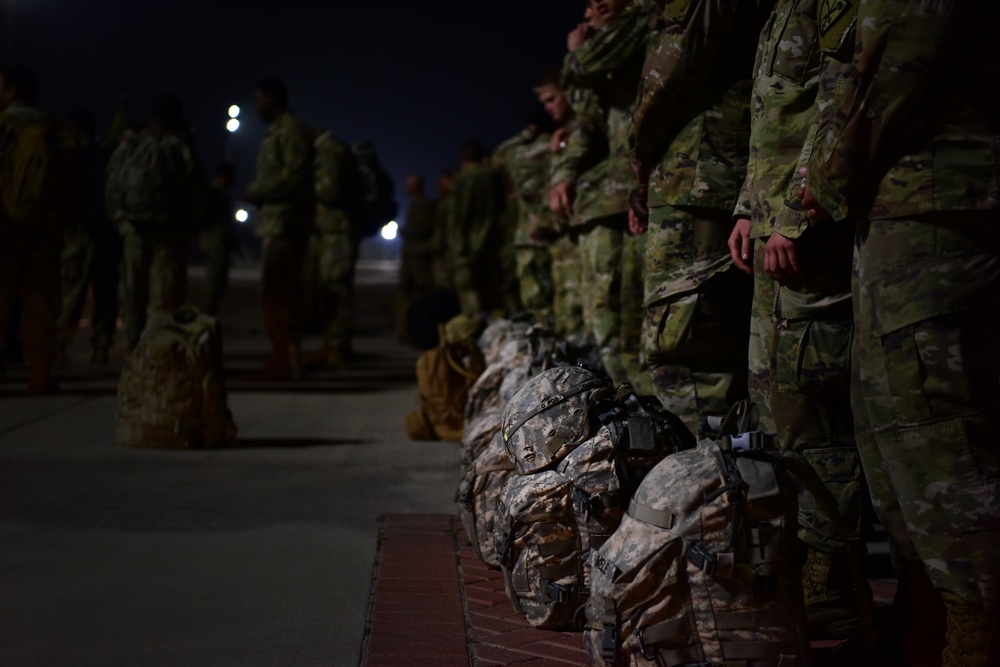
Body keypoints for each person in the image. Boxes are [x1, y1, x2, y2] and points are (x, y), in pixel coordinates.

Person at [799, 2, 1000, 662]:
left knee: (940, 441)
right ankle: (931, 620)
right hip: (889, 212)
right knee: (892, 438)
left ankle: (977, 630)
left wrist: (825, 176)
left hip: (936, 209)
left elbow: (894, 58)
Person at [727, 0, 864, 640]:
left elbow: (835, 107)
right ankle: (800, 556)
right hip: (772, 227)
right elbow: (772, 117)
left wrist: (793, 214)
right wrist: (749, 208)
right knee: (774, 400)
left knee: (813, 406)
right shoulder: (783, 8)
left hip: (809, 234)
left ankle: (833, 574)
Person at [628, 0, 771, 432]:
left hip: (699, 171)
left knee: (685, 348)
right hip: (716, 171)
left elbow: (669, 70)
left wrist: (638, 148)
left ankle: (701, 480)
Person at [560, 0, 657, 391]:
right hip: (630, 186)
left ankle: (645, 403)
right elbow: (588, 108)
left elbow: (582, 71)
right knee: (614, 310)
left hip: (644, 184)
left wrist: (578, 51)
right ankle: (629, 396)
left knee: (633, 310)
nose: (593, 10)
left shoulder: (643, 21)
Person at [0, 66, 75, 393]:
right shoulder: (55, 131)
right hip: (46, 229)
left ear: (11, 91)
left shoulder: (3, 127)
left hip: (6, 227)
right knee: (41, 302)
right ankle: (39, 375)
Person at [105, 93, 194, 352]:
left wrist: (122, 224)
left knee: (132, 294)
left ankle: (132, 347)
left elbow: (111, 188)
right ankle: (156, 353)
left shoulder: (131, 147)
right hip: (167, 235)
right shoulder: (178, 150)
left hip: (133, 232)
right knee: (164, 299)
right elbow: (194, 194)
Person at [244, 77, 314, 380]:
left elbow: (294, 176)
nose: (256, 106)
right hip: (279, 222)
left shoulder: (290, 130)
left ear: (272, 99)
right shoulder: (281, 131)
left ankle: (283, 358)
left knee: (278, 290)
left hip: (285, 224)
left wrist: (258, 190)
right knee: (281, 290)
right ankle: (286, 354)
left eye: (258, 99)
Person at [493, 110, 557, 328]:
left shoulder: (524, 153)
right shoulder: (559, 146)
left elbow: (498, 156)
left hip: (528, 233)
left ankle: (547, 347)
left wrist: (525, 135)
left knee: (536, 299)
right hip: (557, 230)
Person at [535, 71, 585, 341]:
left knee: (587, 307)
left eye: (552, 99)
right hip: (564, 230)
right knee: (567, 307)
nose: (548, 107)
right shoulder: (563, 134)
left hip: (582, 226)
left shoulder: (586, 124)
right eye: (544, 102)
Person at [305, 127, 358, 369]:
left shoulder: (329, 151)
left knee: (335, 290)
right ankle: (335, 345)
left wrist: (302, 187)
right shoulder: (334, 149)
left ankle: (337, 349)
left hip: (335, 230)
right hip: (333, 230)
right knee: (332, 290)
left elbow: (329, 189)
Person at [447, 140, 507, 316]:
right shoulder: (494, 177)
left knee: (469, 293)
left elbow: (458, 216)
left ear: (464, 157)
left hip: (467, 245)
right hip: (493, 242)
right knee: (492, 291)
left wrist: (456, 245)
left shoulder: (461, 179)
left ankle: (474, 331)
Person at [199, 162, 236, 316]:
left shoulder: (219, 192)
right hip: (214, 241)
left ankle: (209, 314)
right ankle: (206, 315)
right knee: (214, 280)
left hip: (216, 240)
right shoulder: (215, 192)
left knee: (218, 280)